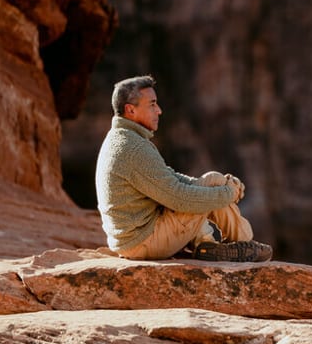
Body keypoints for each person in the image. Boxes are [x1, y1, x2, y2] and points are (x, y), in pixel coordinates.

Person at [94, 75, 272, 262]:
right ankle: (244, 244)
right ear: (130, 110)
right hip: (142, 242)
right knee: (208, 191)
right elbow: (180, 199)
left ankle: (214, 245)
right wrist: (228, 194)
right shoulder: (132, 147)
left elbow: (170, 176)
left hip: (137, 237)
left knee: (213, 179)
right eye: (152, 105)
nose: (159, 111)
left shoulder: (124, 138)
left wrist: (223, 186)